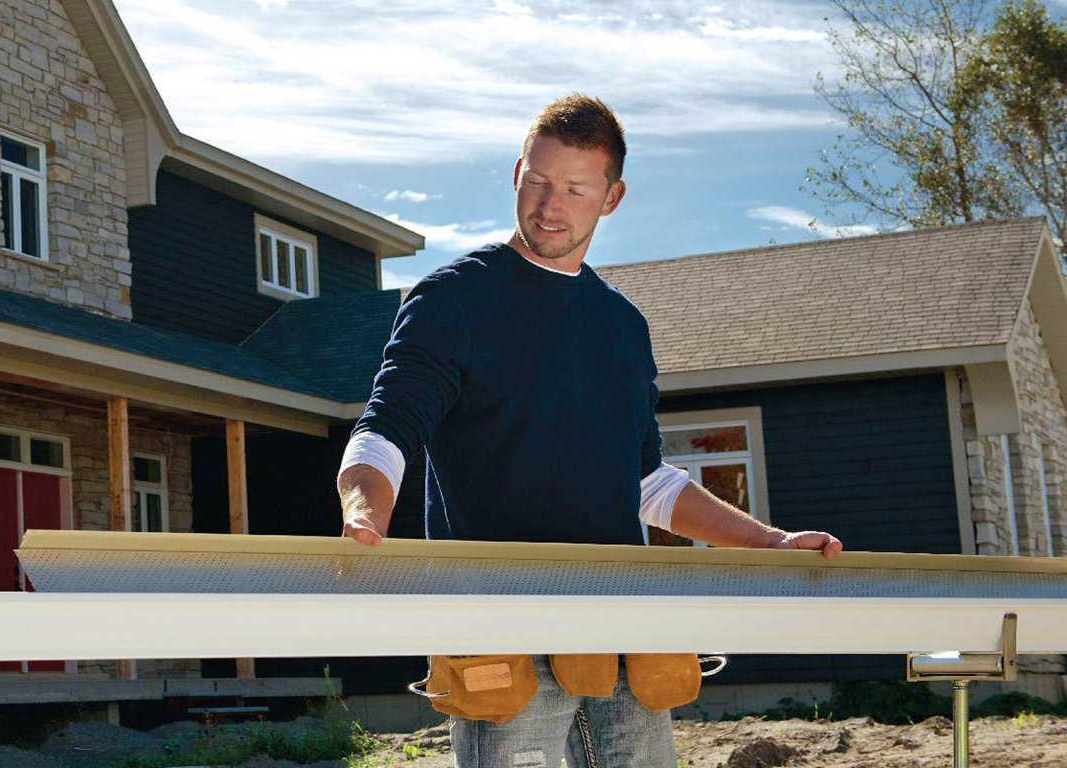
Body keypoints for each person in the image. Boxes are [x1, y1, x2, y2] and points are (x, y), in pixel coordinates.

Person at [335, 94, 844, 768]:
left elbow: (647, 483)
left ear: (611, 197)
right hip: (503, 631)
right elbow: (387, 432)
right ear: (517, 172)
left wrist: (770, 540)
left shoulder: (622, 327)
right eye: (538, 180)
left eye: (575, 188)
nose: (551, 204)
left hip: (624, 633)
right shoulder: (452, 299)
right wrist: (364, 513)